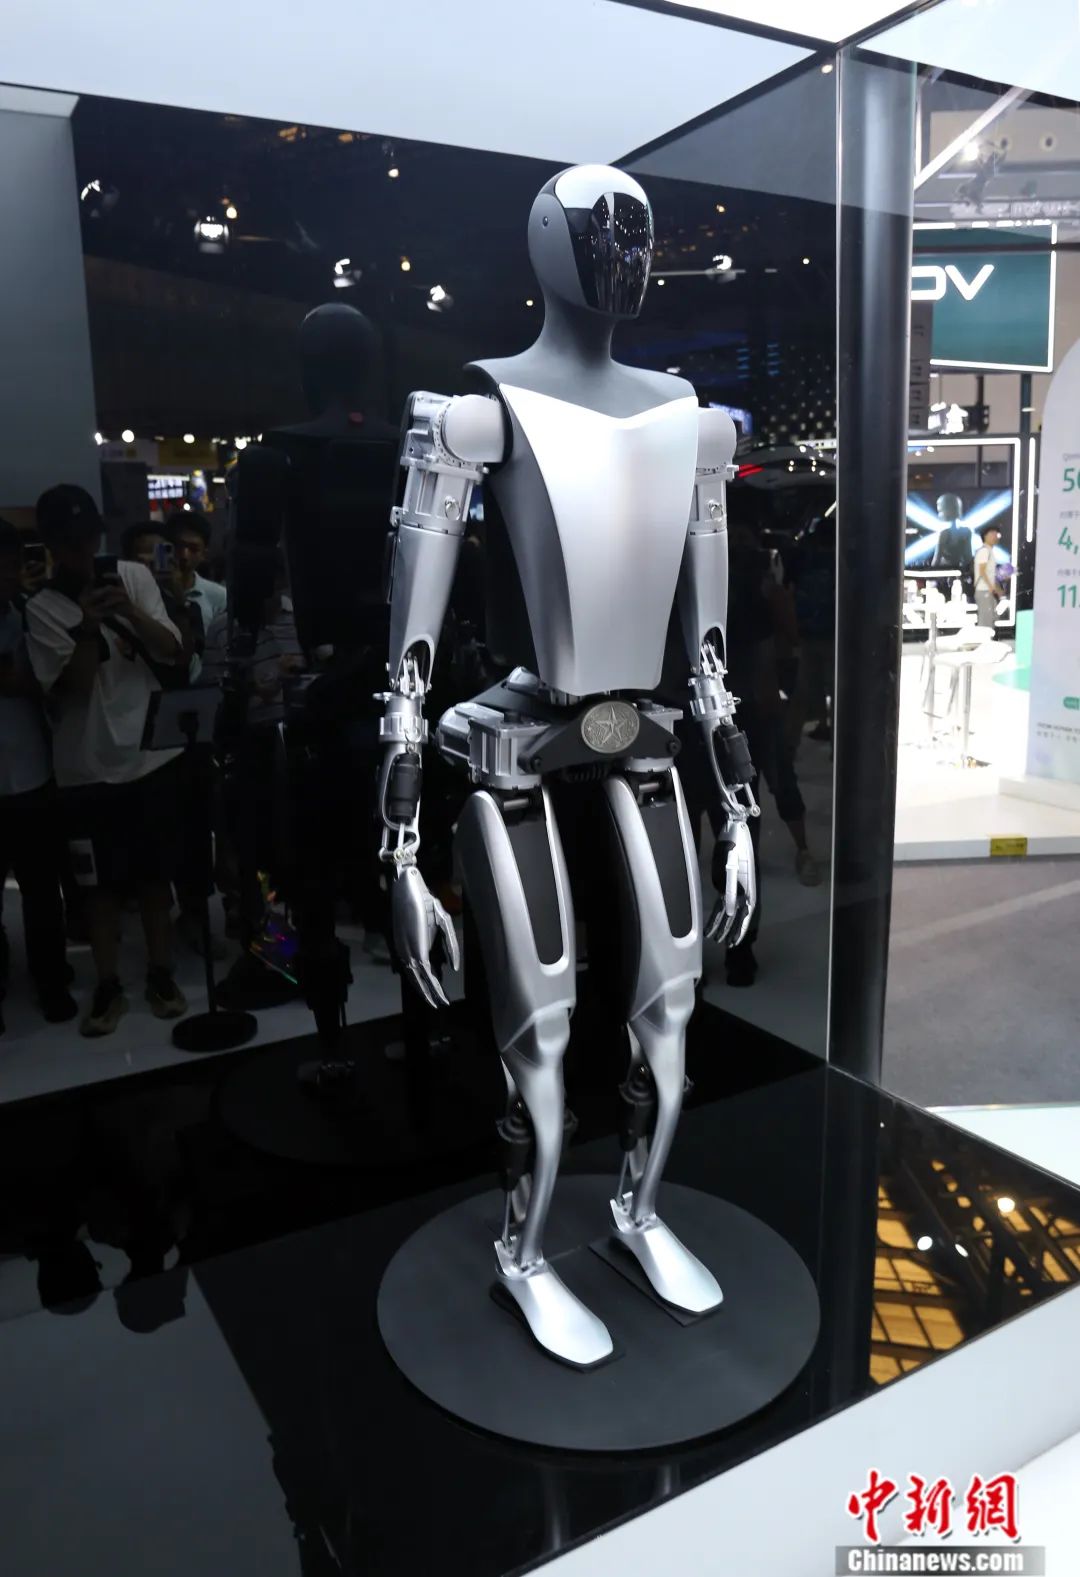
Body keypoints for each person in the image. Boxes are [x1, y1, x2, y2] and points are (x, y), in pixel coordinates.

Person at [25, 485, 189, 1035]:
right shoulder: (42, 607)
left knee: (153, 880)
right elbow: (71, 689)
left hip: (149, 757)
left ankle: (161, 974)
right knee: (98, 889)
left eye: (89, 538)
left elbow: (171, 649)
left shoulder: (133, 577)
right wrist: (89, 627)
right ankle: (109, 983)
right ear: (52, 545)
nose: (82, 551)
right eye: (70, 543)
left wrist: (128, 611)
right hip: (86, 769)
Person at [0, 519, 76, 1033]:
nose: (8, 574)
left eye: (12, 563)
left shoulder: (26, 616)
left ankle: (51, 981)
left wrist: (22, 681)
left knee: (43, 891)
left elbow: (53, 685)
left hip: (32, 774)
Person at [170, 511, 226, 634]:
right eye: (178, 546)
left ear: (203, 554)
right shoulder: (148, 589)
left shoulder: (219, 596)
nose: (184, 555)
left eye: (193, 549)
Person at [973, 524, 1003, 628]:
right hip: (983, 590)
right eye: (992, 534)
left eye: (996, 534)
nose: (995, 536)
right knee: (985, 621)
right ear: (985, 536)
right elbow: (982, 571)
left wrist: (996, 588)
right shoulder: (984, 551)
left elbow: (990, 574)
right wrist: (991, 587)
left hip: (988, 590)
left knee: (990, 619)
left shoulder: (989, 551)